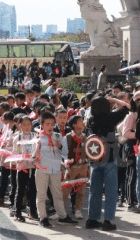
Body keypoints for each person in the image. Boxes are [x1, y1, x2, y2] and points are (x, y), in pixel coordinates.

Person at [85, 94, 130, 231]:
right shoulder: (111, 118)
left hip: (95, 157)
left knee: (94, 190)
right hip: (110, 157)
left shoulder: (90, 120)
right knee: (111, 191)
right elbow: (127, 107)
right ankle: (108, 220)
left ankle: (92, 219)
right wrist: (114, 100)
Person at [34, 112, 76, 228]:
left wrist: (60, 146)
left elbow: (65, 152)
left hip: (55, 169)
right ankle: (43, 218)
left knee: (57, 194)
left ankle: (62, 217)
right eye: (47, 124)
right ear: (42, 124)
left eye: (52, 124)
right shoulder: (37, 138)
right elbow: (32, 156)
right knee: (41, 195)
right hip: (42, 169)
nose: (50, 126)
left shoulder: (58, 136)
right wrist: (36, 150)